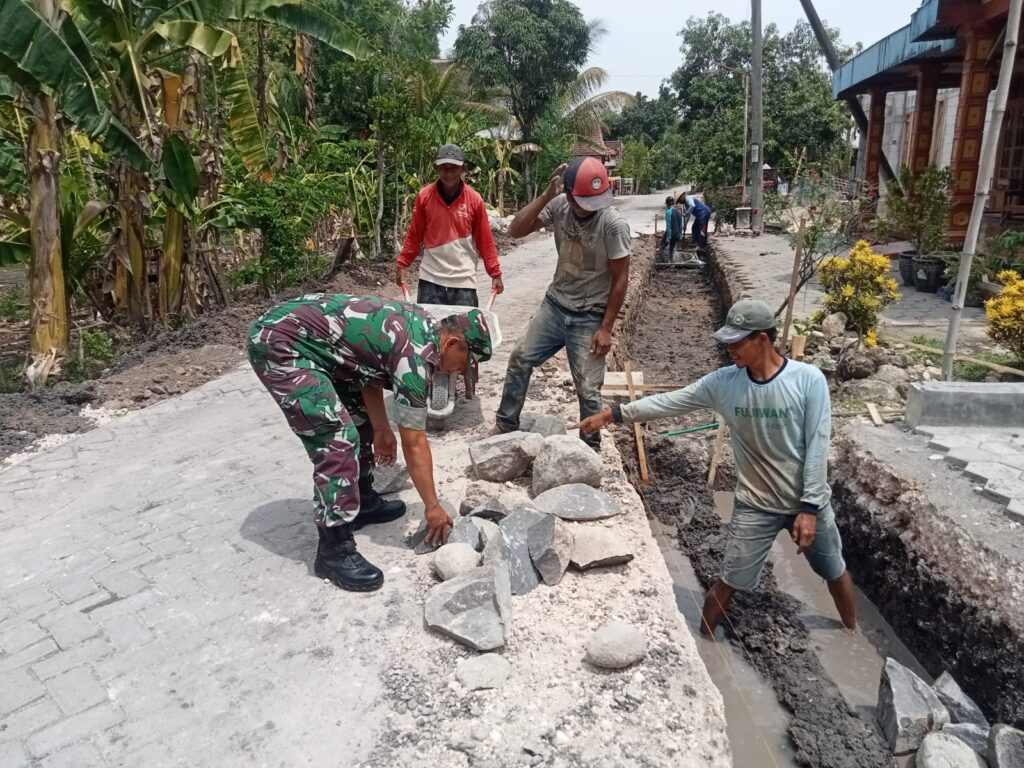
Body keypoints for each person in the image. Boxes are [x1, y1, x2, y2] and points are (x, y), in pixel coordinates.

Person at [575, 298, 856, 636]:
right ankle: (705, 639)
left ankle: (849, 631)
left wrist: (809, 508)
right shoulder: (724, 383)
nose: (729, 351)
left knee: (835, 572)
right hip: (757, 505)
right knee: (726, 585)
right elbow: (670, 402)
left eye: (736, 342)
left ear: (762, 340)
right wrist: (614, 414)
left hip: (809, 504)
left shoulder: (808, 381)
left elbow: (817, 446)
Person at [248, 294, 493, 592]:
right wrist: (433, 506)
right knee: (337, 440)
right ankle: (333, 550)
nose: (457, 373)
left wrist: (380, 427)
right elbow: (414, 441)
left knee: (360, 423)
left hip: (315, 344)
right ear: (452, 343)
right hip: (281, 344)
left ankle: (360, 501)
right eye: (462, 366)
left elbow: (368, 369)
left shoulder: (424, 327)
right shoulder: (414, 357)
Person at [492, 156, 631, 450]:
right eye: (583, 201)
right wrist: (546, 195)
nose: (592, 208)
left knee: (588, 388)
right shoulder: (559, 208)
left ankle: (589, 447)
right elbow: (515, 231)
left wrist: (606, 328)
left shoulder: (613, 224)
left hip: (591, 315)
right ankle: (505, 425)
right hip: (555, 306)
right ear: (568, 194)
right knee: (520, 357)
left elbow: (620, 279)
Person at [397, 143, 502, 397]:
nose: (449, 173)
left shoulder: (474, 201)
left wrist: (494, 272)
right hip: (431, 277)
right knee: (429, 336)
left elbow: (485, 240)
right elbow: (414, 235)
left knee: (464, 340)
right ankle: (426, 379)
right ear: (437, 169)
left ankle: (466, 378)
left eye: (454, 168)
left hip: (463, 280)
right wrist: (402, 263)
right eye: (444, 168)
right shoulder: (424, 197)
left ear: (463, 169)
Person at [659, 196, 682, 263]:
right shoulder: (678, 212)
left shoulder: (668, 212)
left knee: (661, 247)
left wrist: (668, 238)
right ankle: (672, 264)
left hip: (671, 234)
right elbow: (681, 225)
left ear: (667, 204)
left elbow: (668, 226)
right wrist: (680, 234)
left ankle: (665, 262)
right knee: (672, 250)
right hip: (677, 234)